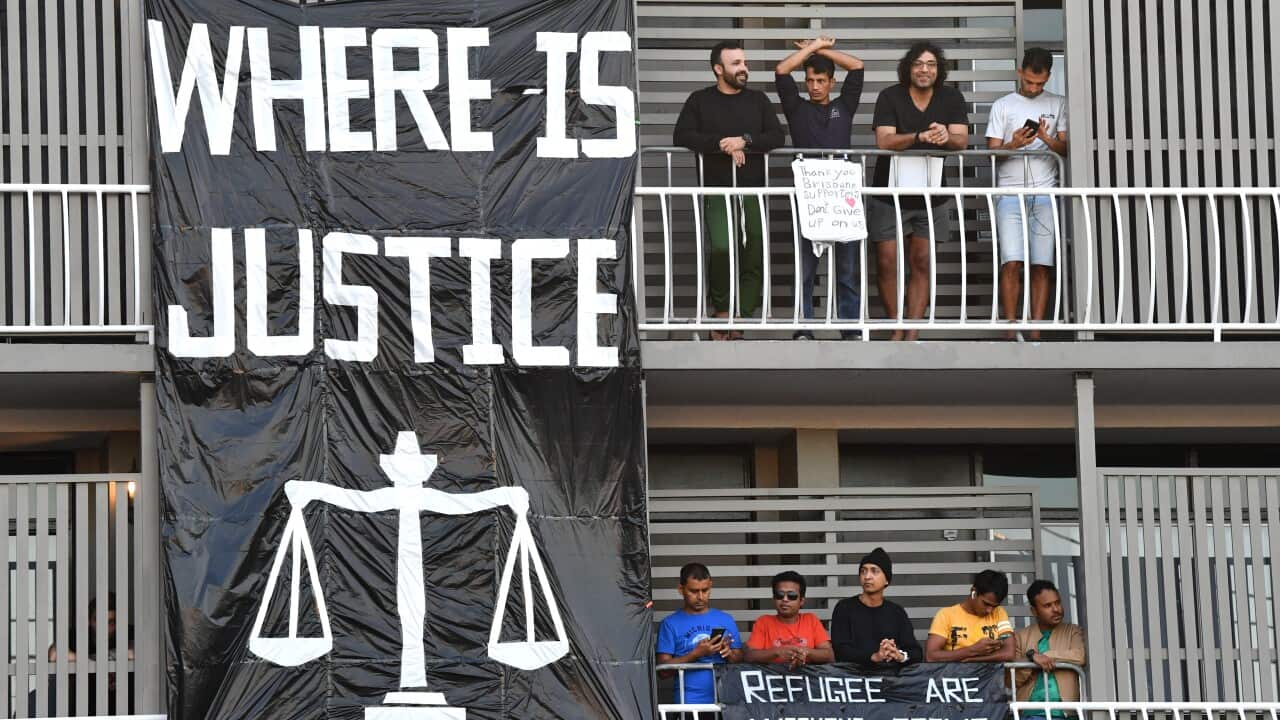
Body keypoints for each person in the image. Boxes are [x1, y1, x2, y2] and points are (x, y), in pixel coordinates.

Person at [674, 41, 785, 340]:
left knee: (754, 250)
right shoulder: (699, 100)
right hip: (717, 189)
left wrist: (745, 140)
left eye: (744, 62)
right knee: (723, 247)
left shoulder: (758, 100)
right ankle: (721, 313)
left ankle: (740, 318)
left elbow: (777, 136)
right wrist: (723, 144)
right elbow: (681, 135)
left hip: (753, 190)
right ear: (718, 69)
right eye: (736, 63)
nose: (744, 68)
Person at [869, 42, 969, 340]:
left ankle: (911, 330)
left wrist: (944, 136)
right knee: (886, 262)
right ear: (908, 68)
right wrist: (919, 136)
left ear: (938, 70)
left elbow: (961, 141)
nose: (924, 69)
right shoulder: (890, 96)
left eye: (931, 64)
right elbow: (884, 141)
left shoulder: (951, 97)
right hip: (888, 194)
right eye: (918, 64)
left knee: (922, 261)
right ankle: (896, 324)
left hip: (932, 195)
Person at [774, 37, 865, 340]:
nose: (814, 86)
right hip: (810, 196)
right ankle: (804, 327)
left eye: (821, 80)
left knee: (847, 268)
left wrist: (820, 49)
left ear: (831, 82)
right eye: (810, 80)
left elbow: (858, 66)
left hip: (843, 196)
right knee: (806, 268)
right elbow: (781, 70)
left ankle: (850, 329)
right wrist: (810, 49)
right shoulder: (797, 108)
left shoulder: (844, 106)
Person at [985, 47, 1069, 340]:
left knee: (1042, 263)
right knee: (1011, 260)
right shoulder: (1003, 105)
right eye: (1029, 82)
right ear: (1020, 72)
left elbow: (1067, 149)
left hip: (1046, 192)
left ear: (1048, 77)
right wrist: (1014, 144)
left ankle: (1035, 330)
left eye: (1040, 83)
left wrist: (1046, 138)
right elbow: (990, 153)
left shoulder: (1059, 103)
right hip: (1009, 193)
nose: (1034, 88)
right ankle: (1010, 328)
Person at [656, 562, 743, 704]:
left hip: (726, 703)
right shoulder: (670, 624)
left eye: (705, 590)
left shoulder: (726, 620)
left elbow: (741, 661)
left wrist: (728, 653)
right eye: (694, 591)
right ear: (680, 589)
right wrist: (696, 654)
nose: (701, 597)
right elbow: (663, 671)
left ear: (711, 586)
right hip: (689, 704)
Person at [830, 547, 922, 666]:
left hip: (890, 681)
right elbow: (840, 650)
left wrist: (899, 655)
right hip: (854, 680)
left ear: (886, 580)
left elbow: (916, 652)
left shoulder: (896, 612)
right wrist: (873, 657)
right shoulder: (844, 608)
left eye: (874, 571)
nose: (867, 576)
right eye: (863, 571)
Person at [1015, 580, 1086, 718]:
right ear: (1034, 611)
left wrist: (1045, 655)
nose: (1056, 609)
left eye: (1057, 603)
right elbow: (1013, 680)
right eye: (1048, 605)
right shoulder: (1021, 637)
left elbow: (1079, 656)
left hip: (1065, 712)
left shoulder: (1073, 631)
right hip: (1031, 712)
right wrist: (1032, 658)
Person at [744, 571, 834, 667]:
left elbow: (829, 655)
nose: (785, 599)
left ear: (802, 601)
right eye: (780, 595)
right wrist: (777, 652)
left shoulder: (811, 620)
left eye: (791, 596)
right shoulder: (764, 622)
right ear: (774, 599)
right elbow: (749, 656)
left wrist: (805, 652)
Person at [925, 569, 1016, 662]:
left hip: (990, 676)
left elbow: (1009, 653)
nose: (989, 610)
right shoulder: (946, 615)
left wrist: (974, 659)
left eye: (994, 606)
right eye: (986, 604)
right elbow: (931, 656)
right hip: (956, 675)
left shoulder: (999, 612)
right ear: (974, 592)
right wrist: (972, 650)